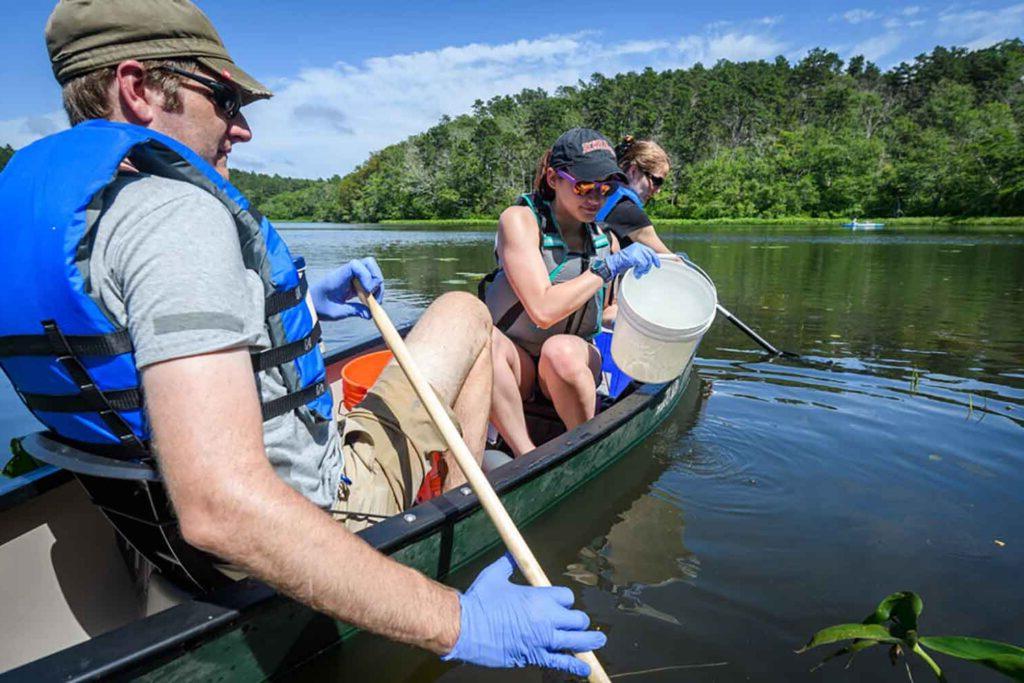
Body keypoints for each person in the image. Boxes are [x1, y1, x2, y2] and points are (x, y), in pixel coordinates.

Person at [0, 1, 604, 677]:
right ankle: (456, 506)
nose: (243, 127)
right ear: (138, 89)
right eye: (223, 96)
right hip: (311, 507)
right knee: (465, 311)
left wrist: (307, 305)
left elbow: (136, 346)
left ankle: (455, 486)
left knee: (461, 317)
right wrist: (459, 619)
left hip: (148, 526)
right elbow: (222, 505)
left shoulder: (76, 216)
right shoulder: (174, 212)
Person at [482, 128, 661, 456]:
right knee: (481, 338)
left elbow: (606, 311)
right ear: (553, 178)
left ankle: (583, 446)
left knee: (561, 350)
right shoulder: (519, 221)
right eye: (584, 186)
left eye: (606, 188)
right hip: (516, 364)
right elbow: (542, 310)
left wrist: (649, 320)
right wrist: (606, 268)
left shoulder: (608, 241)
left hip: (568, 363)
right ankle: (527, 456)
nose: (595, 198)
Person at [596, 135, 674, 253]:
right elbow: (671, 261)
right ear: (633, 171)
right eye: (657, 181)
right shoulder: (628, 212)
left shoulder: (603, 194)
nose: (658, 190)